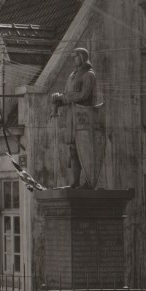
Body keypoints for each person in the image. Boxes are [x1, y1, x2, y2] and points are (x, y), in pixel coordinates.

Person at [51, 47, 98, 188]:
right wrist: (58, 99)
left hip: (84, 117)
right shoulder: (72, 76)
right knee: (73, 149)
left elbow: (83, 95)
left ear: (82, 57)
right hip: (71, 116)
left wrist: (63, 97)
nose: (73, 59)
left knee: (85, 149)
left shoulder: (89, 75)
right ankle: (75, 182)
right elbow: (67, 95)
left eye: (76, 56)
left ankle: (89, 182)